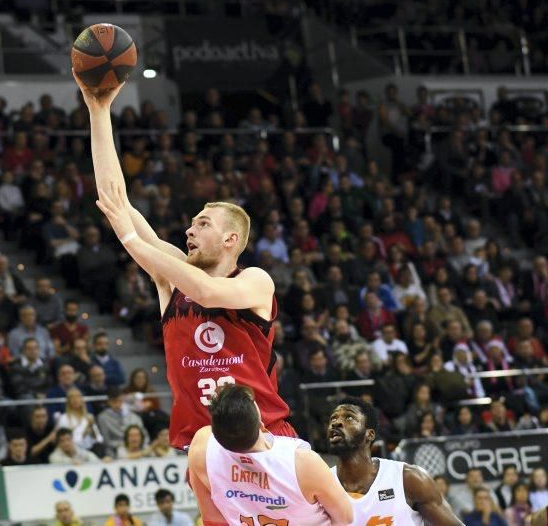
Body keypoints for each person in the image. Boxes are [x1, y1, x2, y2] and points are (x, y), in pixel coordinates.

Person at [78, 74, 295, 450]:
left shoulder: (256, 281)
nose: (189, 230)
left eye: (203, 223)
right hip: (204, 447)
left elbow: (208, 292)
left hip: (267, 439)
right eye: (192, 223)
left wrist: (131, 240)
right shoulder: (174, 280)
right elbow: (117, 200)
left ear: (231, 240)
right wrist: (98, 111)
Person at [187, 384, 353, 525]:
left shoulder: (201, 446)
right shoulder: (302, 462)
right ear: (260, 421)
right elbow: (345, 518)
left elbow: (212, 518)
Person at [328, 397, 463, 525]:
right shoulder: (320, 485)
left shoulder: (408, 479)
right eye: (333, 418)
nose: (336, 423)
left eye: (349, 417)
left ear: (370, 434)